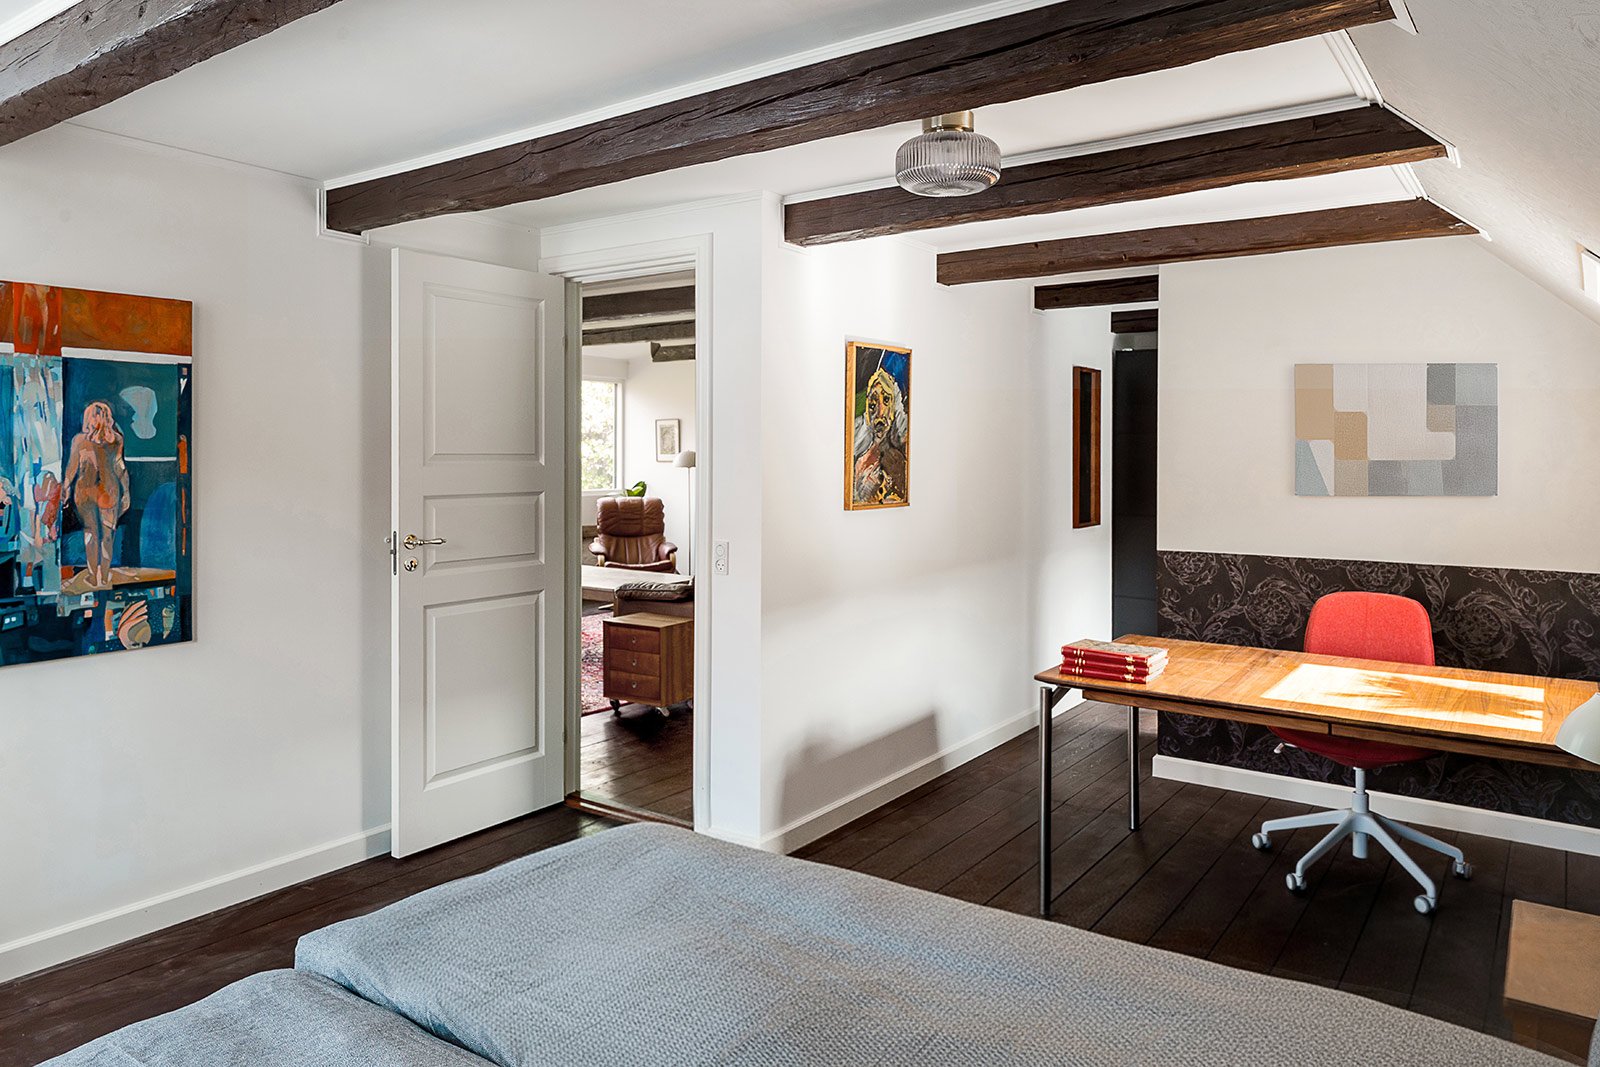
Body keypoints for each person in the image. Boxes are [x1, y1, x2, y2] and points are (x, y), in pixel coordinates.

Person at [62, 400, 130, 591]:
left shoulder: (79, 440)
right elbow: (120, 467)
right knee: (107, 535)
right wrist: (126, 492)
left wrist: (66, 488)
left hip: (86, 490)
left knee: (91, 534)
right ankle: (103, 574)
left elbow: (71, 468)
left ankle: (94, 576)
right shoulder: (115, 439)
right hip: (107, 490)